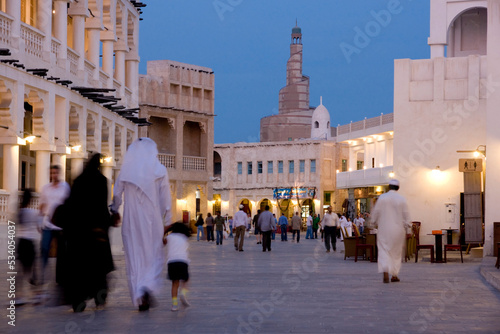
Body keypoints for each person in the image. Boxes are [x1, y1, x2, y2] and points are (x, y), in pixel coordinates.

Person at [111, 138, 172, 311]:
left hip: (131, 221)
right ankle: (146, 286)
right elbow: (165, 198)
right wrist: (168, 221)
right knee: (152, 255)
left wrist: (114, 210)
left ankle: (139, 292)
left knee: (134, 256)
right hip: (152, 220)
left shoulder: (126, 171)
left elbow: (116, 195)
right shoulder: (159, 170)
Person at [62, 154, 115, 312]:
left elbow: (71, 205)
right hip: (96, 233)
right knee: (98, 268)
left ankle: (78, 300)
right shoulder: (101, 180)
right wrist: (105, 225)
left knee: (79, 268)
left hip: (79, 234)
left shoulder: (79, 180)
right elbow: (101, 206)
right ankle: (100, 300)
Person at [371, 179, 411, 283]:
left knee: (384, 250)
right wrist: (408, 226)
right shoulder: (402, 199)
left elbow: (376, 212)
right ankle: (394, 274)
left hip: (384, 229)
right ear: (398, 188)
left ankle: (385, 269)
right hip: (398, 230)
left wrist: (373, 222)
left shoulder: (382, 198)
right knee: (396, 252)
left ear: (389, 187)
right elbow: (406, 215)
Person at [38, 165, 70, 284]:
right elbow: (42, 204)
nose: (53, 175)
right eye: (51, 173)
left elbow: (68, 204)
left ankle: (61, 277)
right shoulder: (46, 188)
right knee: (44, 248)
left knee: (62, 251)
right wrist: (39, 220)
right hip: (48, 223)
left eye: (55, 173)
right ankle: (42, 273)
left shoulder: (65, 187)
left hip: (61, 224)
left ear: (59, 173)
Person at [16, 189, 42, 305]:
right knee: (33, 270)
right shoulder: (33, 212)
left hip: (21, 242)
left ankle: (18, 295)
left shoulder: (20, 212)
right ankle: (37, 294)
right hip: (30, 242)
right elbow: (39, 227)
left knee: (20, 271)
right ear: (31, 199)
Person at [163, 222, 191, 312]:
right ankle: (183, 293)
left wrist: (165, 230)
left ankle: (174, 305)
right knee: (185, 280)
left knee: (175, 283)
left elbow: (163, 242)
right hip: (183, 261)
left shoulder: (169, 237)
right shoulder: (184, 237)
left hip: (172, 262)